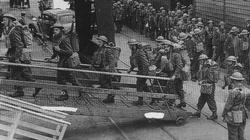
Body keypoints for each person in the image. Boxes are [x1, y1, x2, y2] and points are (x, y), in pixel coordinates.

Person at [3, 13, 41, 97]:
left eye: (5, 20)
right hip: (16, 54)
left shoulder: (14, 30)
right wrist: (8, 53)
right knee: (20, 72)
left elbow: (19, 45)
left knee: (21, 72)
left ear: (10, 20)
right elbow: (13, 44)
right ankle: (22, 90)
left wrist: (16, 58)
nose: (3, 21)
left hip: (18, 55)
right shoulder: (11, 29)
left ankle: (31, 87)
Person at [45, 23, 82, 101]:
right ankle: (80, 91)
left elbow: (70, 52)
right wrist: (51, 58)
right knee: (65, 79)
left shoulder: (64, 39)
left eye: (57, 30)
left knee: (64, 79)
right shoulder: (56, 38)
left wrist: (60, 50)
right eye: (54, 30)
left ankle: (72, 93)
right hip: (62, 61)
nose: (54, 31)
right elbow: (55, 51)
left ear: (61, 30)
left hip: (66, 62)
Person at [222, 72, 249, 140]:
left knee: (233, 133)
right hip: (243, 114)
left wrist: (224, 114)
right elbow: (248, 103)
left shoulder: (233, 92)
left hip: (234, 114)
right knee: (241, 132)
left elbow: (228, 105)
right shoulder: (246, 90)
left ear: (233, 80)